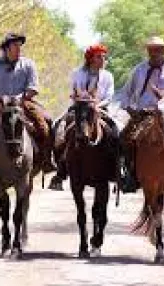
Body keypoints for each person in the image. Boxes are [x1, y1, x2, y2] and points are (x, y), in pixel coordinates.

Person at [0, 33, 56, 185]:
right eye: (15, 46)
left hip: (24, 103)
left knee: (46, 122)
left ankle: (47, 160)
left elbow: (33, 88)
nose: (18, 49)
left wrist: (19, 98)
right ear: (6, 48)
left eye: (20, 46)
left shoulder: (28, 65)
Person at [119, 36, 164, 192]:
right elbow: (125, 93)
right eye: (151, 50)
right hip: (145, 113)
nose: (154, 53)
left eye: (158, 50)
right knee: (125, 137)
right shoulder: (139, 69)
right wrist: (130, 109)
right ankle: (130, 173)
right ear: (147, 51)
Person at [48, 44, 121, 190]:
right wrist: (79, 98)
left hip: (100, 107)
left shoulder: (108, 76)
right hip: (79, 106)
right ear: (90, 59)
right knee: (58, 125)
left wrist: (97, 105)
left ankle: (119, 169)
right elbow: (74, 90)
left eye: (103, 57)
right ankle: (59, 170)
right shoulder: (78, 73)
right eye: (99, 57)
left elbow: (109, 96)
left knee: (117, 129)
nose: (103, 59)